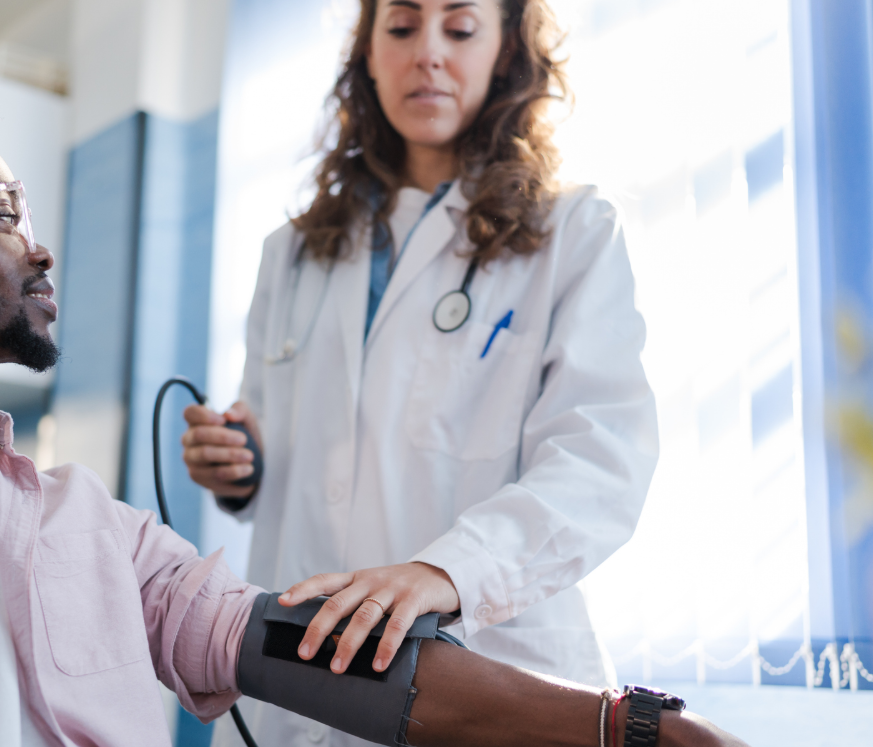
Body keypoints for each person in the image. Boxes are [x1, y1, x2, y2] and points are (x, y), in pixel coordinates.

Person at [0, 61, 745, 747]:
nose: (40, 249)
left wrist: (625, 728)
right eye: (0, 211)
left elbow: (301, 647)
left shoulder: (81, 525)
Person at [183, 1, 658, 744]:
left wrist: (449, 571)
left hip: (485, 668)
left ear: (506, 53)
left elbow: (601, 460)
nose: (428, 53)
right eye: (401, 27)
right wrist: (241, 466)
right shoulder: (293, 254)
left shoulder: (574, 232)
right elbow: (286, 437)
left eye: (461, 28)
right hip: (304, 681)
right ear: (368, 53)